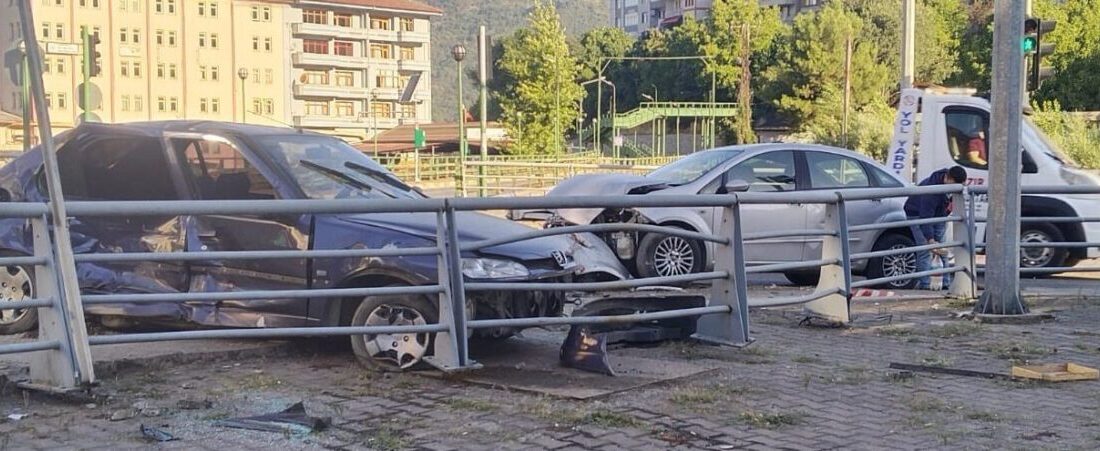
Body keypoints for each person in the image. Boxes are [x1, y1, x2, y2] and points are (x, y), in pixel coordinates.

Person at [904, 166, 967, 290]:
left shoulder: (947, 185)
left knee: (942, 249)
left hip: (938, 214)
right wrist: (930, 239)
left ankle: (946, 283)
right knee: (925, 250)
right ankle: (925, 285)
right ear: (948, 179)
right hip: (917, 215)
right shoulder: (930, 191)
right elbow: (925, 217)